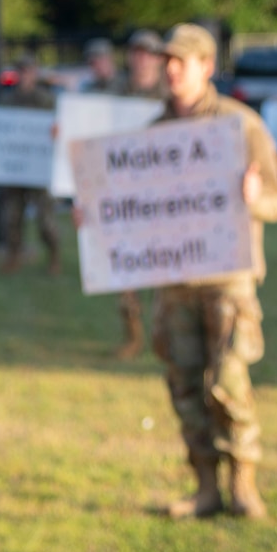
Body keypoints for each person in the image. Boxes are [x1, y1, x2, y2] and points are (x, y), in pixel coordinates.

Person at [149, 23, 277, 519]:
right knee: (184, 385)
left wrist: (255, 200)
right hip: (174, 281)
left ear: (206, 67)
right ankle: (205, 487)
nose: (169, 70)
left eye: (179, 62)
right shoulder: (154, 134)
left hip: (227, 279)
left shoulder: (239, 125)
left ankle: (243, 485)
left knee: (228, 381)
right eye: (166, 60)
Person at [112, 30, 169, 358]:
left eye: (149, 53)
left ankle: (165, 334)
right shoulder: (115, 93)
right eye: (137, 52)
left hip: (163, 194)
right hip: (126, 192)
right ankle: (132, 335)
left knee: (165, 268)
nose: (142, 59)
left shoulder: (170, 94)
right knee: (125, 267)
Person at [0, 55, 60, 274]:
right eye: (21, 71)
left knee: (45, 220)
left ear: (35, 73)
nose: (25, 75)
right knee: (12, 218)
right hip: (16, 169)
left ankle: (54, 256)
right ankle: (13, 256)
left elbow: (58, 126)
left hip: (39, 169)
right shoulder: (8, 101)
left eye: (28, 70)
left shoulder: (46, 100)